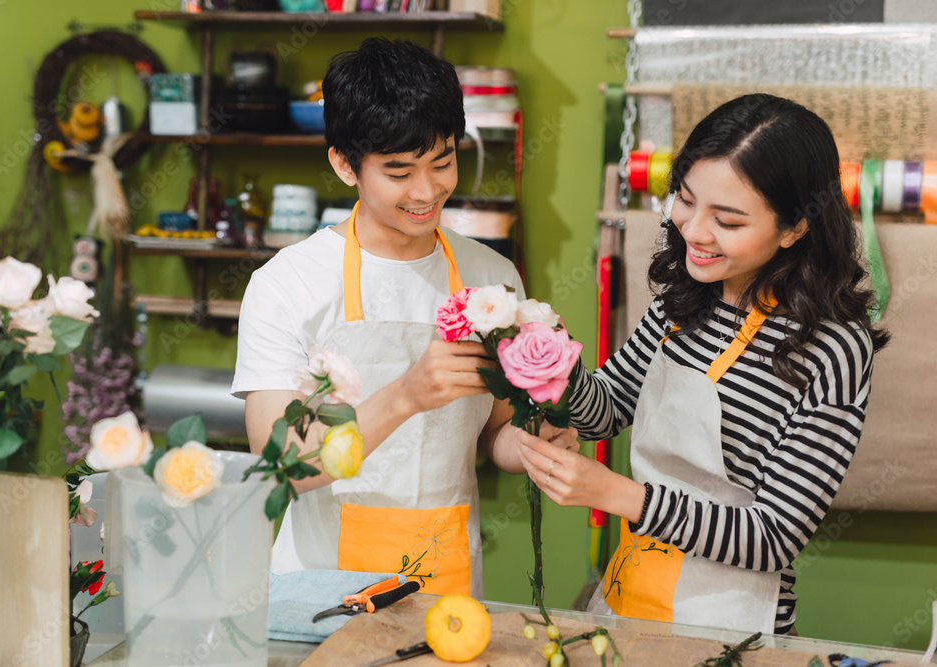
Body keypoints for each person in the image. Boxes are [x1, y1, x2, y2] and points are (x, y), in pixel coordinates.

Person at [515, 93, 889, 634]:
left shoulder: (833, 348)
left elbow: (773, 537)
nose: (692, 232)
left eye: (728, 221)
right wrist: (546, 349)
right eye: (686, 201)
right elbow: (603, 413)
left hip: (732, 624)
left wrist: (614, 493)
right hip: (629, 597)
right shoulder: (684, 296)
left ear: (794, 228)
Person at [231, 37, 575, 599]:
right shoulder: (285, 285)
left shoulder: (493, 278)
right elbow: (281, 464)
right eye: (399, 171)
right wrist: (408, 395)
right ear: (345, 165)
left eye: (443, 162)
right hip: (319, 586)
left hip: (446, 577)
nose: (427, 190)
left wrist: (542, 441)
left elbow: (498, 434)